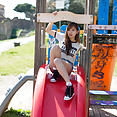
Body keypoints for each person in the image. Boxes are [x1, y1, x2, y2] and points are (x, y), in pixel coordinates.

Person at [46, 11, 83, 100]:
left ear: (77, 32)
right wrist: (53, 19)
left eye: (73, 30)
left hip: (67, 67)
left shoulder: (79, 45)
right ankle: (55, 72)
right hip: (54, 65)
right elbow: (48, 30)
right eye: (69, 30)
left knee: (57, 60)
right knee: (55, 47)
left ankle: (69, 86)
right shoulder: (62, 37)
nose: (70, 32)